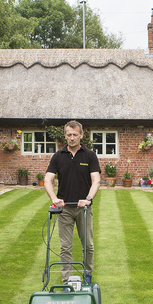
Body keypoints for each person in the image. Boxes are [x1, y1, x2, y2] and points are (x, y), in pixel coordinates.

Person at [44, 120, 101, 284]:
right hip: (65, 210)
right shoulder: (58, 156)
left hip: (83, 208)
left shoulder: (89, 155)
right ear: (65, 135)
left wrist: (88, 199)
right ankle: (67, 279)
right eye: (69, 135)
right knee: (65, 247)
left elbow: (96, 180)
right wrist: (54, 199)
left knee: (88, 245)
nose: (72, 138)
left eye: (75, 134)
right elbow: (48, 180)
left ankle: (87, 274)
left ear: (81, 135)